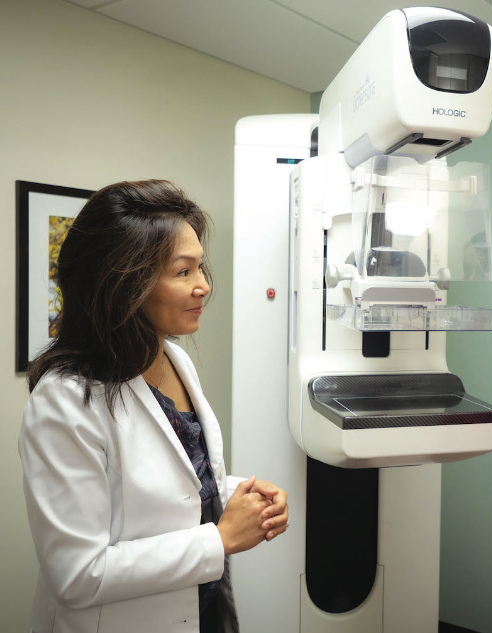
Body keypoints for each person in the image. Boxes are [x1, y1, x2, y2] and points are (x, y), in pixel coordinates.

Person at [18, 180, 289, 633]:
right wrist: (220, 539)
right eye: (183, 272)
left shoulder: (172, 358)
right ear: (124, 283)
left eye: (201, 268)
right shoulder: (65, 400)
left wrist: (245, 498)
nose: (204, 286)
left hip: (202, 610)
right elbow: (78, 575)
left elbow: (182, 485)